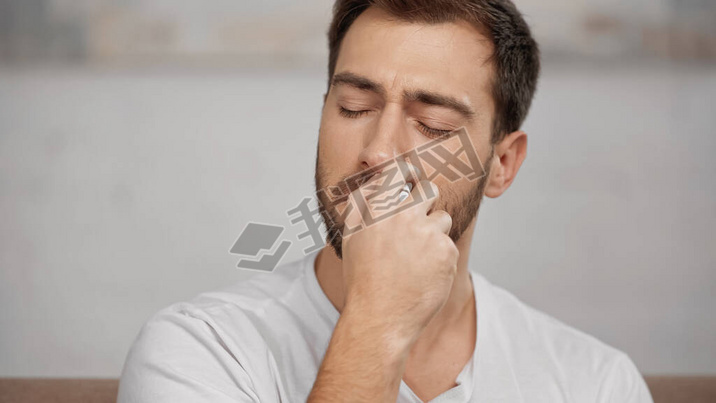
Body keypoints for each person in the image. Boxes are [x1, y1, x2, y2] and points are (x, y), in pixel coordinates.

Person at [118, 1, 654, 402]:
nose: (377, 151)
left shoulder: (594, 383)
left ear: (502, 165)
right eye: (354, 107)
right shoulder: (202, 352)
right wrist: (377, 322)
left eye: (433, 123)